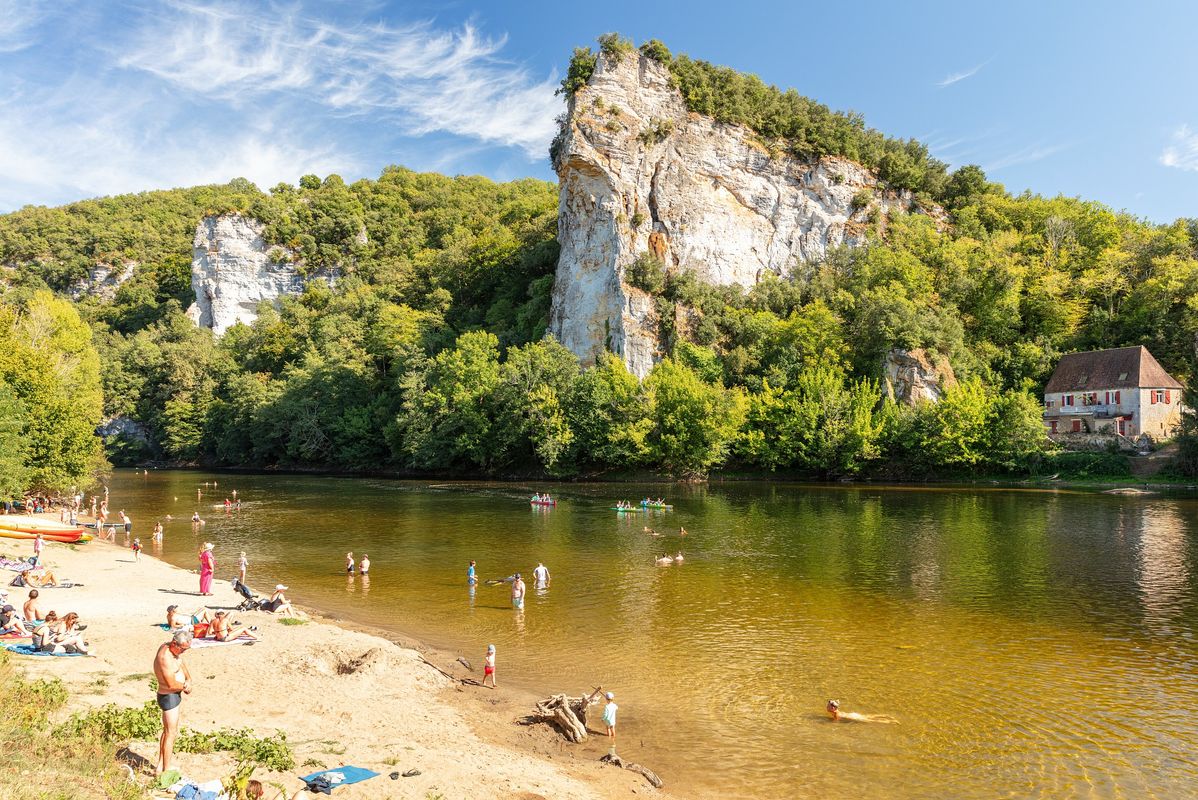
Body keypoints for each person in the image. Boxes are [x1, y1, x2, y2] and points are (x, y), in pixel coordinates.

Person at [154, 630, 193, 776]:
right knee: (171, 733)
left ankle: (159, 766)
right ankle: (166, 770)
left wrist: (188, 678)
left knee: (166, 732)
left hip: (173, 695)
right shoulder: (165, 657)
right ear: (175, 644)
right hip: (168, 696)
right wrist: (185, 687)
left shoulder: (173, 650)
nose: (184, 651)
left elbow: (181, 663)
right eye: (182, 648)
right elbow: (170, 684)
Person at [825, 699, 898, 724]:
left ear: (833, 708)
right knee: (871, 716)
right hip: (854, 715)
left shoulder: (835, 713)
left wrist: (829, 722)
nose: (827, 707)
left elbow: (836, 721)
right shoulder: (836, 711)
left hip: (855, 718)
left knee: (872, 721)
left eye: (828, 706)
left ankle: (892, 722)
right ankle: (887, 716)